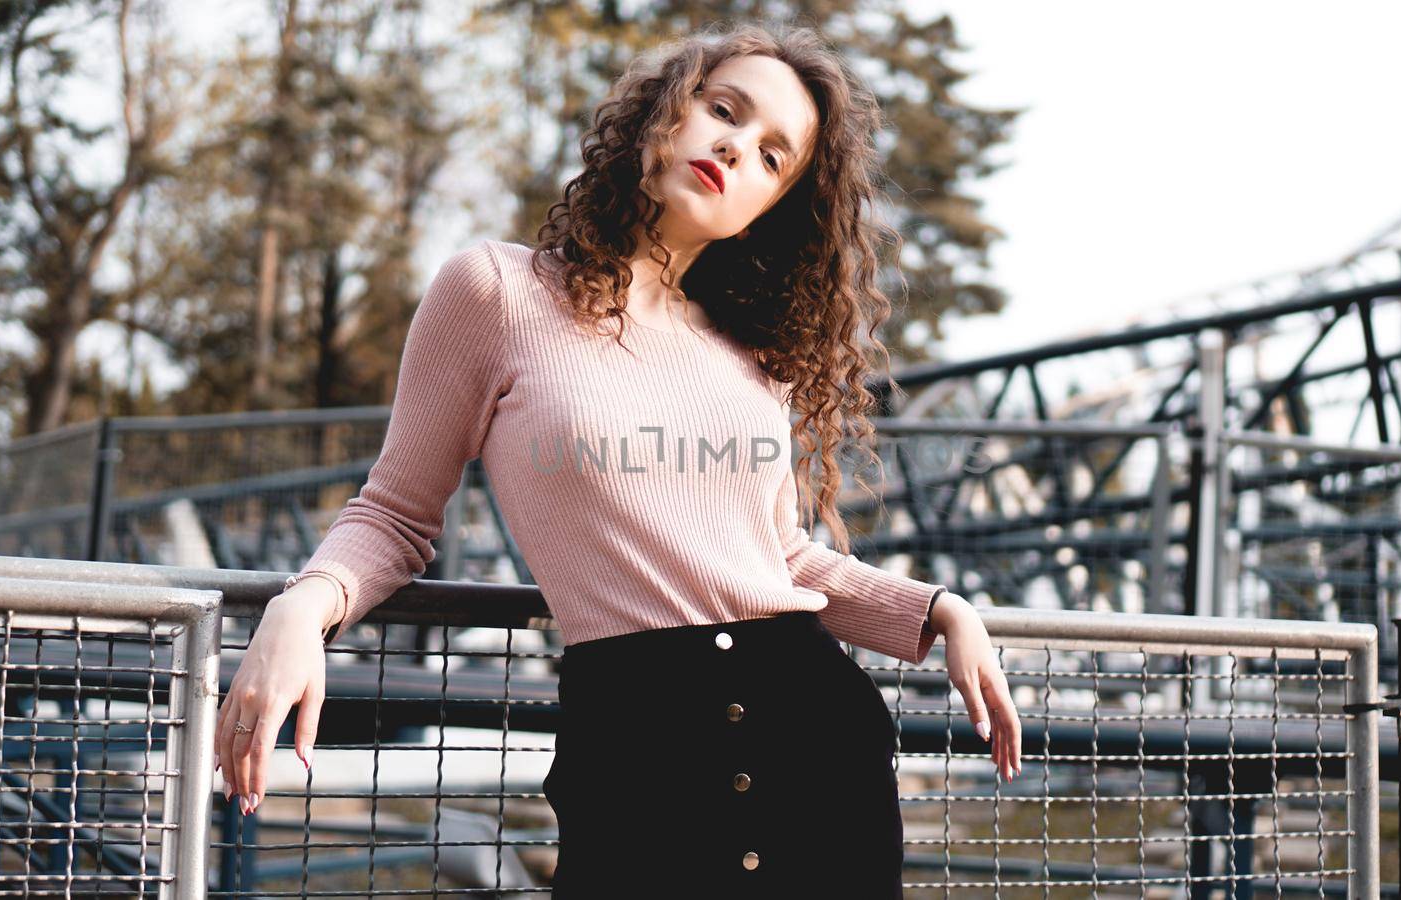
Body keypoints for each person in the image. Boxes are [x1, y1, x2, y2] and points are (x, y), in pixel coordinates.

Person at [215, 19, 1022, 896]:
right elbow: (397, 514)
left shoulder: (753, 360)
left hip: (815, 749)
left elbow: (778, 555)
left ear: (772, 206)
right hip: (637, 748)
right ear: (662, 112)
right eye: (723, 109)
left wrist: (940, 611)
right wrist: (304, 608)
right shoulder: (495, 292)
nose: (733, 147)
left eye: (771, 157)